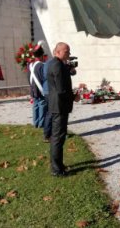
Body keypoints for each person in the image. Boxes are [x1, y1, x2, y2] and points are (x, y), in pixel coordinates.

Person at [47, 42, 79, 177]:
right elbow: (61, 89)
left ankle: (59, 165)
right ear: (58, 52)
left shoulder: (58, 64)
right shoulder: (57, 65)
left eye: (69, 52)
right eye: (66, 52)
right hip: (59, 106)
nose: (68, 54)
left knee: (59, 137)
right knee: (57, 138)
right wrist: (73, 97)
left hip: (59, 105)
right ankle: (56, 169)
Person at [28, 41, 47, 129]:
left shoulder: (30, 65)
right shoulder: (42, 65)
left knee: (35, 106)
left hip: (33, 89)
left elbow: (29, 77)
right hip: (40, 89)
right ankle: (41, 124)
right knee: (42, 105)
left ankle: (35, 123)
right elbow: (44, 78)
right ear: (41, 55)